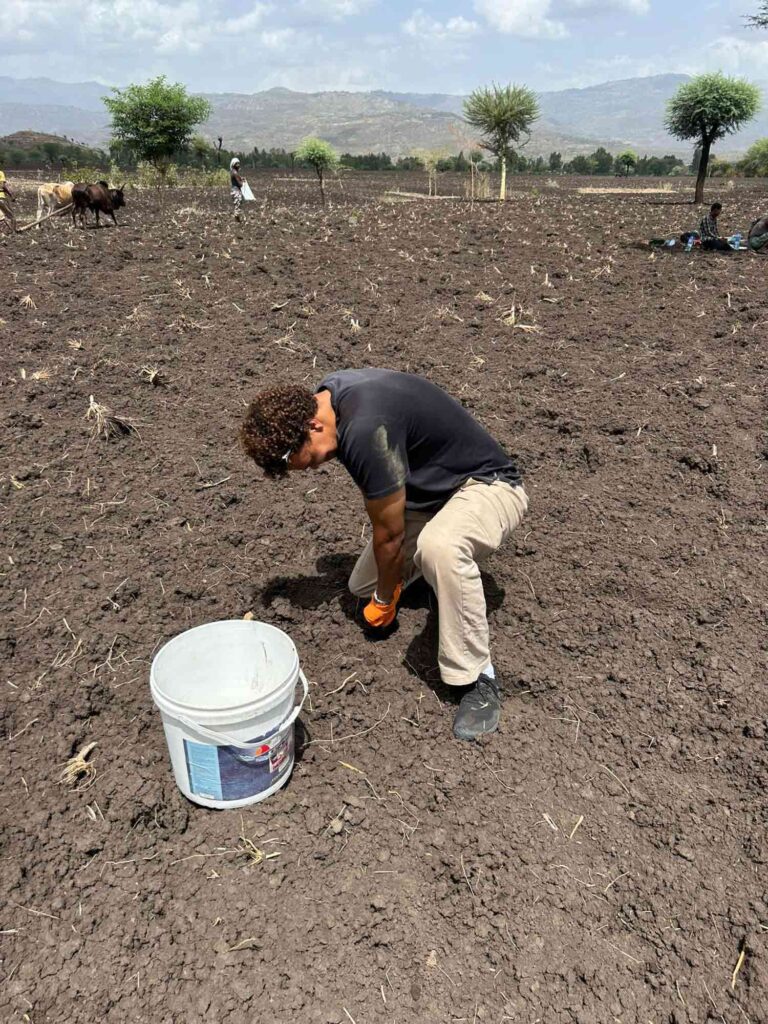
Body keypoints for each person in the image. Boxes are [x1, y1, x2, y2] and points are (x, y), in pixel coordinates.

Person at [240, 369, 529, 742]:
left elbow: (390, 535)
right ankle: (438, 575)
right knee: (362, 584)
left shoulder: (363, 428)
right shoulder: (328, 399)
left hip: (488, 486)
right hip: (432, 499)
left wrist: (385, 599)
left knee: (440, 549)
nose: (311, 468)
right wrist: (379, 590)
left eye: (306, 460)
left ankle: (477, 677)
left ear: (312, 426)